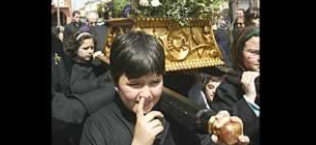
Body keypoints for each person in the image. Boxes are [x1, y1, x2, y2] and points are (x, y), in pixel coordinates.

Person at [80, 31, 250, 145]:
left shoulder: (176, 114)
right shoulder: (97, 127)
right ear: (116, 83)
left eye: (154, 83)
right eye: (134, 84)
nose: (146, 94)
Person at [211, 26, 260, 145]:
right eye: (254, 52)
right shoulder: (227, 89)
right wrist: (249, 99)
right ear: (239, 53)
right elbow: (230, 134)